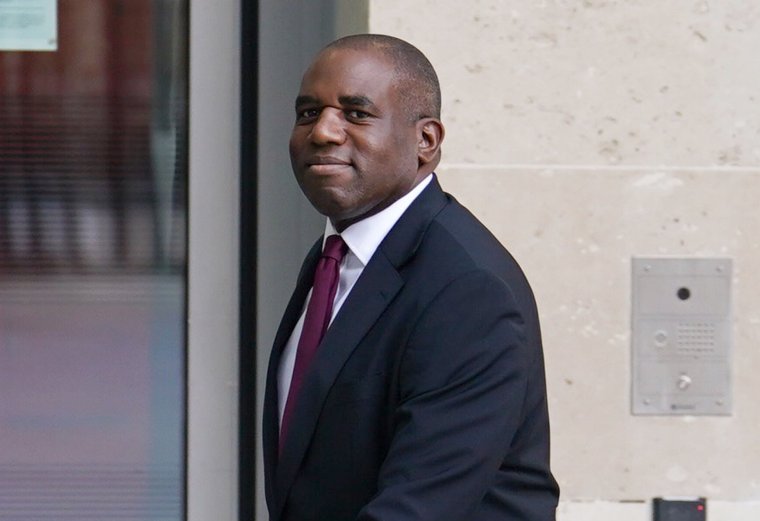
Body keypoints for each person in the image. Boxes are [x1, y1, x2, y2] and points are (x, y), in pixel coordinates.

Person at [262, 34, 559, 521]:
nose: (323, 132)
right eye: (308, 112)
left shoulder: (468, 289)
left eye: (356, 113)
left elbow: (421, 506)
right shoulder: (335, 255)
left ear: (426, 141)